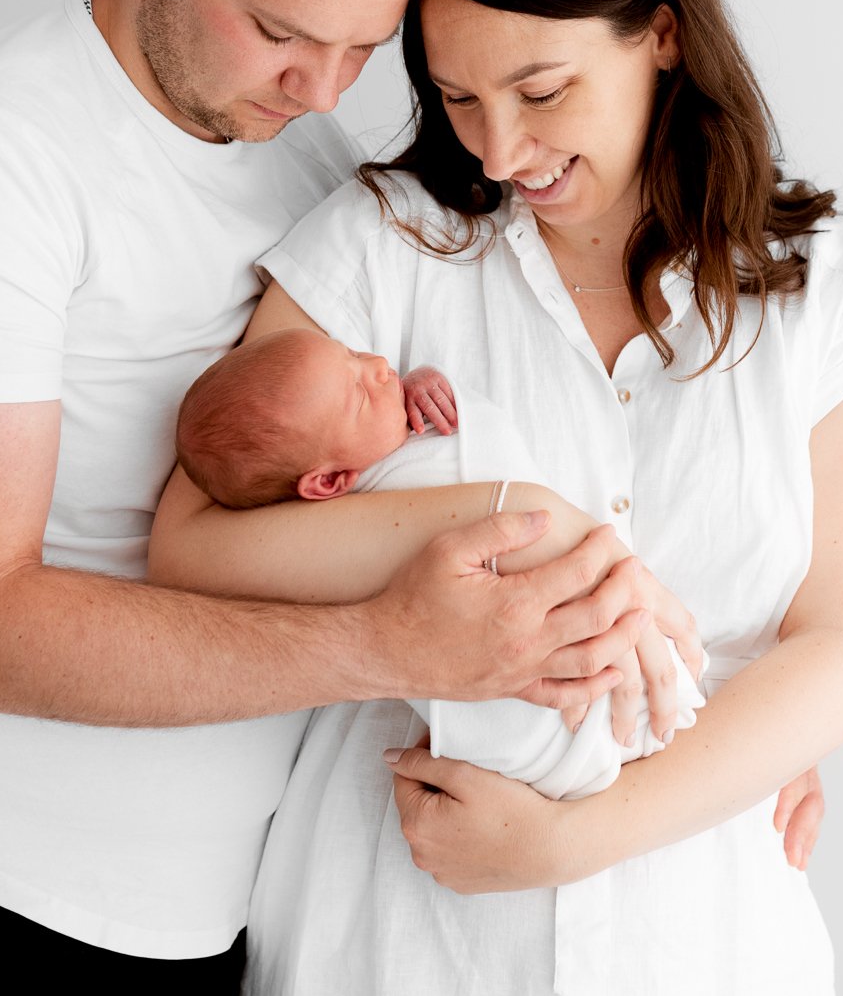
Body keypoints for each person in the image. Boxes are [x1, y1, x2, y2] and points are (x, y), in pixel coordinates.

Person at [0, 0, 687, 991]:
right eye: (279, 31)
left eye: (363, 50)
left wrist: (711, 726)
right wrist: (392, 644)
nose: (318, 89)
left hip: (245, 919)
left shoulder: (311, 170)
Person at [146, 0, 843, 993]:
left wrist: (570, 842)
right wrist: (504, 511)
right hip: (398, 933)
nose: (501, 149)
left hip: (699, 936)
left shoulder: (821, 290)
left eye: (541, 90)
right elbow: (193, 544)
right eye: (459, 97)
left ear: (660, 32)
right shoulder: (384, 242)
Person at [173, 327, 704, 797]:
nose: (380, 367)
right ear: (331, 482)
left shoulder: (390, 420)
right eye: (360, 393)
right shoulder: (344, 530)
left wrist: (421, 382)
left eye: (355, 353)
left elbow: (455, 427)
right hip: (526, 695)